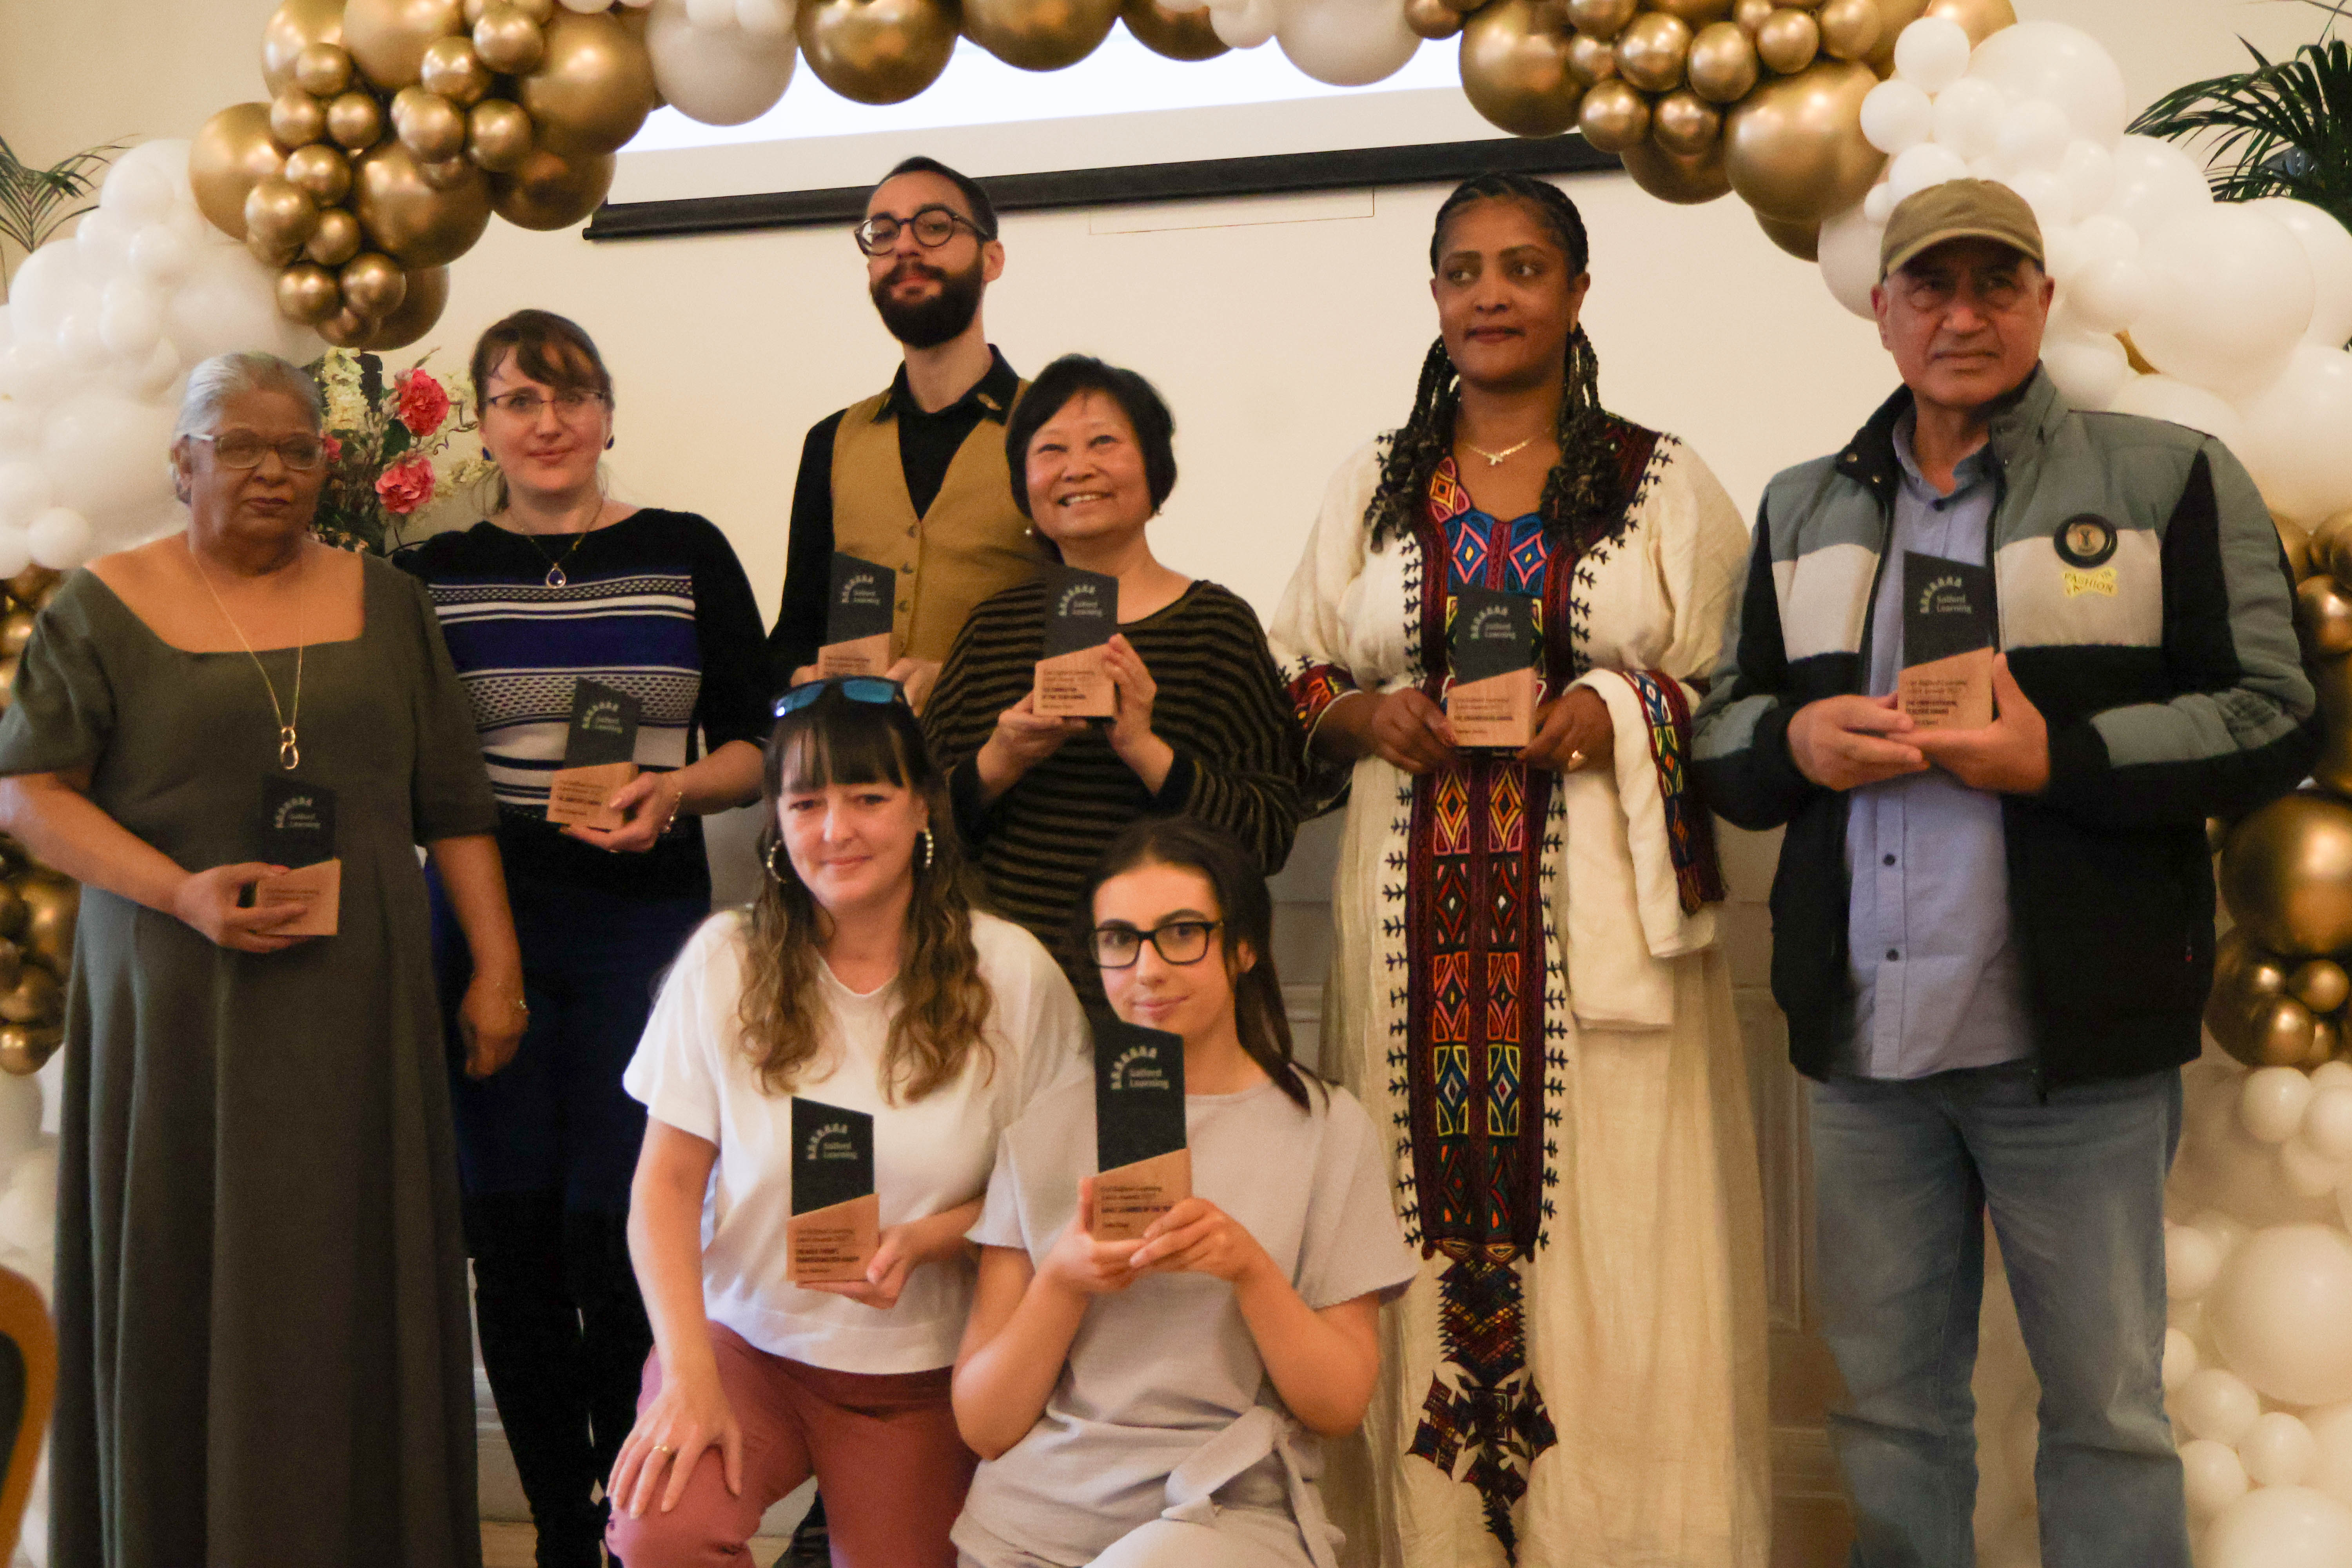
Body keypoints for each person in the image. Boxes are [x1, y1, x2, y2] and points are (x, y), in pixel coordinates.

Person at [1691, 181, 2316, 1568]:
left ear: (2042, 302)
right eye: (1931, 287)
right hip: (1867, 1057)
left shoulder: (2169, 477)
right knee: (1892, 1414)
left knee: (2105, 1411)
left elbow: (2276, 713)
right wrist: (1795, 736)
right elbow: (1719, 737)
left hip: (2072, 1052)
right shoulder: (1803, 508)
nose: (1962, 315)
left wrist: (2061, 756)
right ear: (1883, 310)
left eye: (1995, 286)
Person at [1266, 173, 1768, 1566]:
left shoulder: (1661, 480)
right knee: (1411, 1237)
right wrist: (1362, 713)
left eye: (1526, 268)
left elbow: (1737, 694)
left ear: (1577, 294)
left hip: (1599, 965)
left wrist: (1613, 710)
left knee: (1626, 1238)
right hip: (1402, 940)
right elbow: (1298, 665)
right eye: (1466, 270)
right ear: (1434, 295)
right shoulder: (1372, 484)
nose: (1493, 295)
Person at [0, 351, 524, 1568]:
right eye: (238, 445)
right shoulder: (100, 606)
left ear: (328, 467)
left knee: (346, 1276)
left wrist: (495, 969)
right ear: (183, 464)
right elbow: (29, 798)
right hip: (175, 1000)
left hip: (357, 1003)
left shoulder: (387, 604)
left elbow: (452, 803)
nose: (273, 470)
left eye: (297, 447)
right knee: (189, 1277)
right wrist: (178, 891)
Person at [393, 309, 775, 1568]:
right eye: (516, 400)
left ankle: (635, 1510)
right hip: (486, 927)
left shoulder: (685, 552)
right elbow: (411, 769)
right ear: (485, 428)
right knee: (508, 1241)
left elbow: (759, 743)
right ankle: (560, 1527)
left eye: (569, 397)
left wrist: (673, 791)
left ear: (609, 414)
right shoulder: (433, 576)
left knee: (630, 1232)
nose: (546, 423)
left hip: (644, 934)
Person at [607, 678, 1086, 1568]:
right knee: (660, 1531)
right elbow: (664, 1189)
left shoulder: (1012, 975)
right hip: (744, 1347)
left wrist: (936, 1235)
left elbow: (1059, 1194)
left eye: (868, 797)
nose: (836, 829)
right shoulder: (725, 959)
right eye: (808, 802)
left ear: (923, 809)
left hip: (923, 1374)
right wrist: (688, 1376)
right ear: (779, 824)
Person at [951, 815, 1416, 1568]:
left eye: (1180, 934)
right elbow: (985, 1426)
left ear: (1243, 947)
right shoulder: (1046, 1126)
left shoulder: (1328, 1131)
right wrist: (1063, 1282)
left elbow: (1337, 1406)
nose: (1148, 969)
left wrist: (1249, 1268)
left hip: (1225, 1513)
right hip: (1036, 1520)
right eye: (1119, 940)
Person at [921, 355, 1301, 982]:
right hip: (1006, 989)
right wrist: (1001, 759)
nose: (1078, 468)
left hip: (1166, 984)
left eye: (1104, 443)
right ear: (1024, 485)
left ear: (1155, 472)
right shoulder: (992, 628)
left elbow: (1268, 837)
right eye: (1051, 450)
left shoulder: (1216, 626)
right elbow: (917, 828)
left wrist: (1144, 748)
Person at [767, 156, 1044, 710]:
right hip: (858, 777)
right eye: (884, 233)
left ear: (992, 260)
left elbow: (1089, 634)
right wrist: (798, 678)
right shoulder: (832, 440)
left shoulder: (1052, 428)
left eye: (935, 227)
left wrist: (964, 683)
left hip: (1019, 779)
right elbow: (796, 630)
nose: (905, 247)